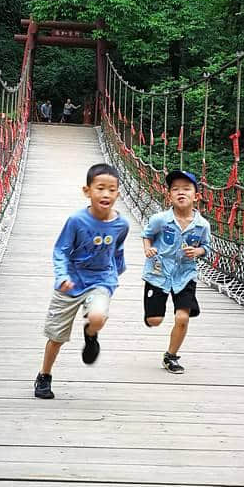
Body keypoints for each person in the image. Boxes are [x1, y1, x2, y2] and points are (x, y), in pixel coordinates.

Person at [34, 163, 130, 400]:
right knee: (56, 337)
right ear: (87, 191)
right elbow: (61, 250)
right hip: (71, 282)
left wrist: (115, 274)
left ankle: (91, 335)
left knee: (98, 316)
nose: (105, 194)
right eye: (100, 188)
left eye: (111, 189)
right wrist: (62, 276)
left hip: (101, 280)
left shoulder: (122, 224)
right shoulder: (76, 220)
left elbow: (117, 250)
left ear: (118, 193)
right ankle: (44, 376)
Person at [142, 169, 211, 374]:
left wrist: (197, 251)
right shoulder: (160, 219)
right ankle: (152, 313)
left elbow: (206, 248)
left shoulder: (202, 225)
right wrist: (148, 248)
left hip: (185, 274)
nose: (181, 192)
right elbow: (147, 235)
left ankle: (171, 356)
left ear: (196, 196)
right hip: (158, 273)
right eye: (175, 189)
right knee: (154, 321)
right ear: (169, 195)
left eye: (186, 189)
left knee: (182, 317)